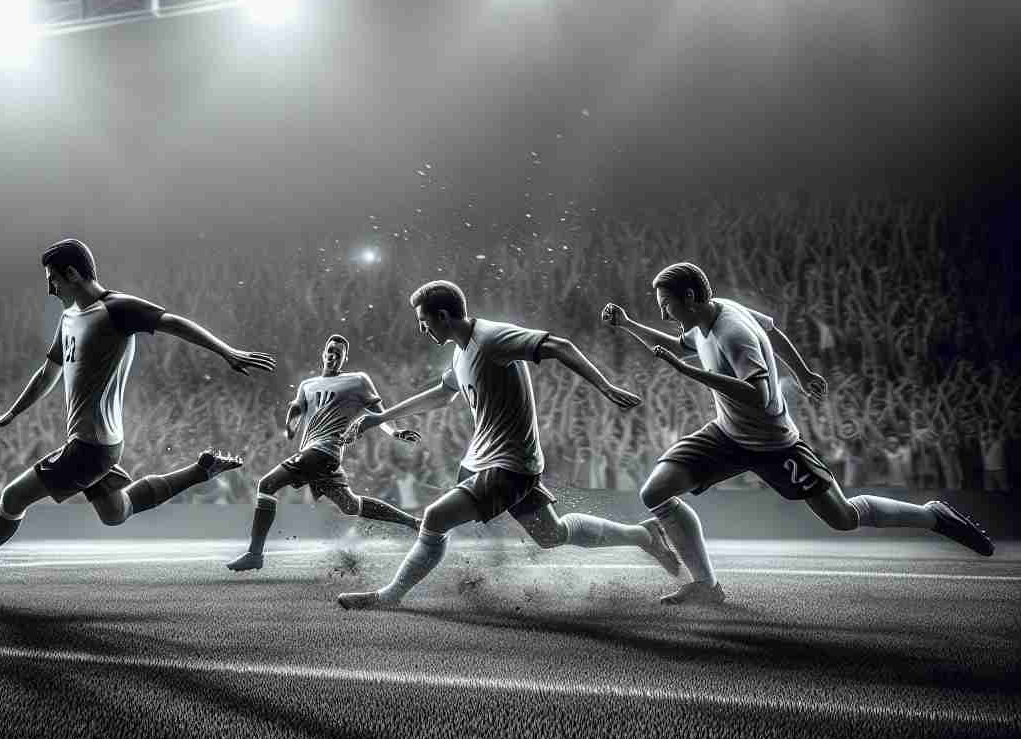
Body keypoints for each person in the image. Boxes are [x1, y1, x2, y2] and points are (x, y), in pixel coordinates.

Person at [603, 262, 993, 605]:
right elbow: (769, 333)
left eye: (666, 306)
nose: (665, 314)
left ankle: (932, 516)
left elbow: (759, 395)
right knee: (655, 491)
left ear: (689, 297)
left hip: (774, 443)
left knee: (843, 517)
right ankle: (706, 585)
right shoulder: (712, 315)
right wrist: (628, 325)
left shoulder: (731, 331)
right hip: (727, 434)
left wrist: (688, 373)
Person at [0, 239, 276, 583]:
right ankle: (201, 471)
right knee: (115, 512)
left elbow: (174, 323)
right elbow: (48, 374)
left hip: (90, 447)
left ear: (72, 274)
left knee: (12, 497)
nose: (50, 290)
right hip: (98, 443)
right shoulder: (70, 318)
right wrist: (12, 414)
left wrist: (227, 352)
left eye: (52, 280)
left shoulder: (117, 308)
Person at [335, 280, 681, 611]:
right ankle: (643, 535)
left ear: (443, 316)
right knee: (551, 534)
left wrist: (605, 387)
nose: (422, 329)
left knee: (435, 518)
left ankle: (390, 596)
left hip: (509, 466)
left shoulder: (492, 337)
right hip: (485, 461)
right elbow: (442, 395)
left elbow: (560, 347)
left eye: (424, 322)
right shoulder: (461, 352)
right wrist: (382, 419)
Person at [225, 334, 425, 572]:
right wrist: (291, 422)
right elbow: (296, 410)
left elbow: (379, 414)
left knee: (267, 485)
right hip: (315, 454)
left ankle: (254, 554)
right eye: (330, 351)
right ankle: (413, 522)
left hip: (323, 451)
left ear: (345, 358)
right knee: (350, 505)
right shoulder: (307, 385)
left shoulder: (357, 380)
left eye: (338, 354)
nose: (333, 356)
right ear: (323, 353)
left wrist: (395, 432)